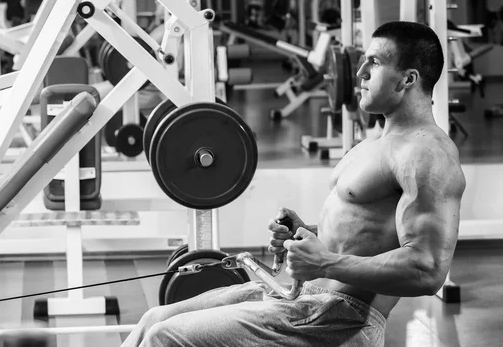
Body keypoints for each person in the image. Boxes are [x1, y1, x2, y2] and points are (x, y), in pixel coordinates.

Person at [121, 21, 466, 347]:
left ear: (407, 79)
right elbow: (367, 236)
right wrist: (306, 233)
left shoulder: (427, 154)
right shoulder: (375, 143)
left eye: (373, 63)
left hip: (340, 318)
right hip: (301, 297)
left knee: (165, 339)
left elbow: (427, 269)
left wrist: (325, 262)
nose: (359, 73)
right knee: (154, 319)